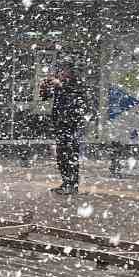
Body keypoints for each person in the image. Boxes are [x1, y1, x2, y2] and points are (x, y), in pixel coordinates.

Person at [40, 63, 90, 194]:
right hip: (60, 123)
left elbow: (78, 95)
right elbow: (45, 97)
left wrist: (60, 85)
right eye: (60, 72)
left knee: (70, 153)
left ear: (70, 73)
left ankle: (72, 184)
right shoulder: (61, 85)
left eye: (63, 72)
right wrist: (45, 87)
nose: (60, 74)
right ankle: (66, 182)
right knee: (62, 154)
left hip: (70, 124)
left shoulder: (75, 84)